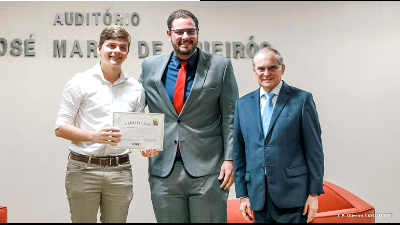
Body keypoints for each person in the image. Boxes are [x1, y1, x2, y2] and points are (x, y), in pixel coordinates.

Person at [138, 9, 239, 223]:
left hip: (209, 170)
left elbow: (230, 116)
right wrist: (141, 140)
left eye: (190, 31)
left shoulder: (220, 66)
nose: (185, 37)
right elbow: (137, 107)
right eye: (179, 32)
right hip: (164, 170)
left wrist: (230, 158)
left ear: (198, 33)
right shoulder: (150, 67)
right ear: (169, 34)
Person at [54, 25, 148, 223]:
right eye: (111, 45)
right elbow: (60, 128)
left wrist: (146, 147)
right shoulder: (80, 82)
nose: (117, 51)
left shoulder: (136, 89)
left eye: (122, 47)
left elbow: (138, 132)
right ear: (99, 48)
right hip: (83, 169)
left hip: (120, 172)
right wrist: (93, 136)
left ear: (127, 52)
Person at [233, 47, 324, 223]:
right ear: (254, 72)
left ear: (282, 68)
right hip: (258, 197)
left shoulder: (302, 99)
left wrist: (314, 194)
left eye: (272, 67)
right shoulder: (242, 104)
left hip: (293, 195)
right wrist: (243, 195)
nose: (266, 73)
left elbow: (314, 151)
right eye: (261, 68)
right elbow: (239, 152)